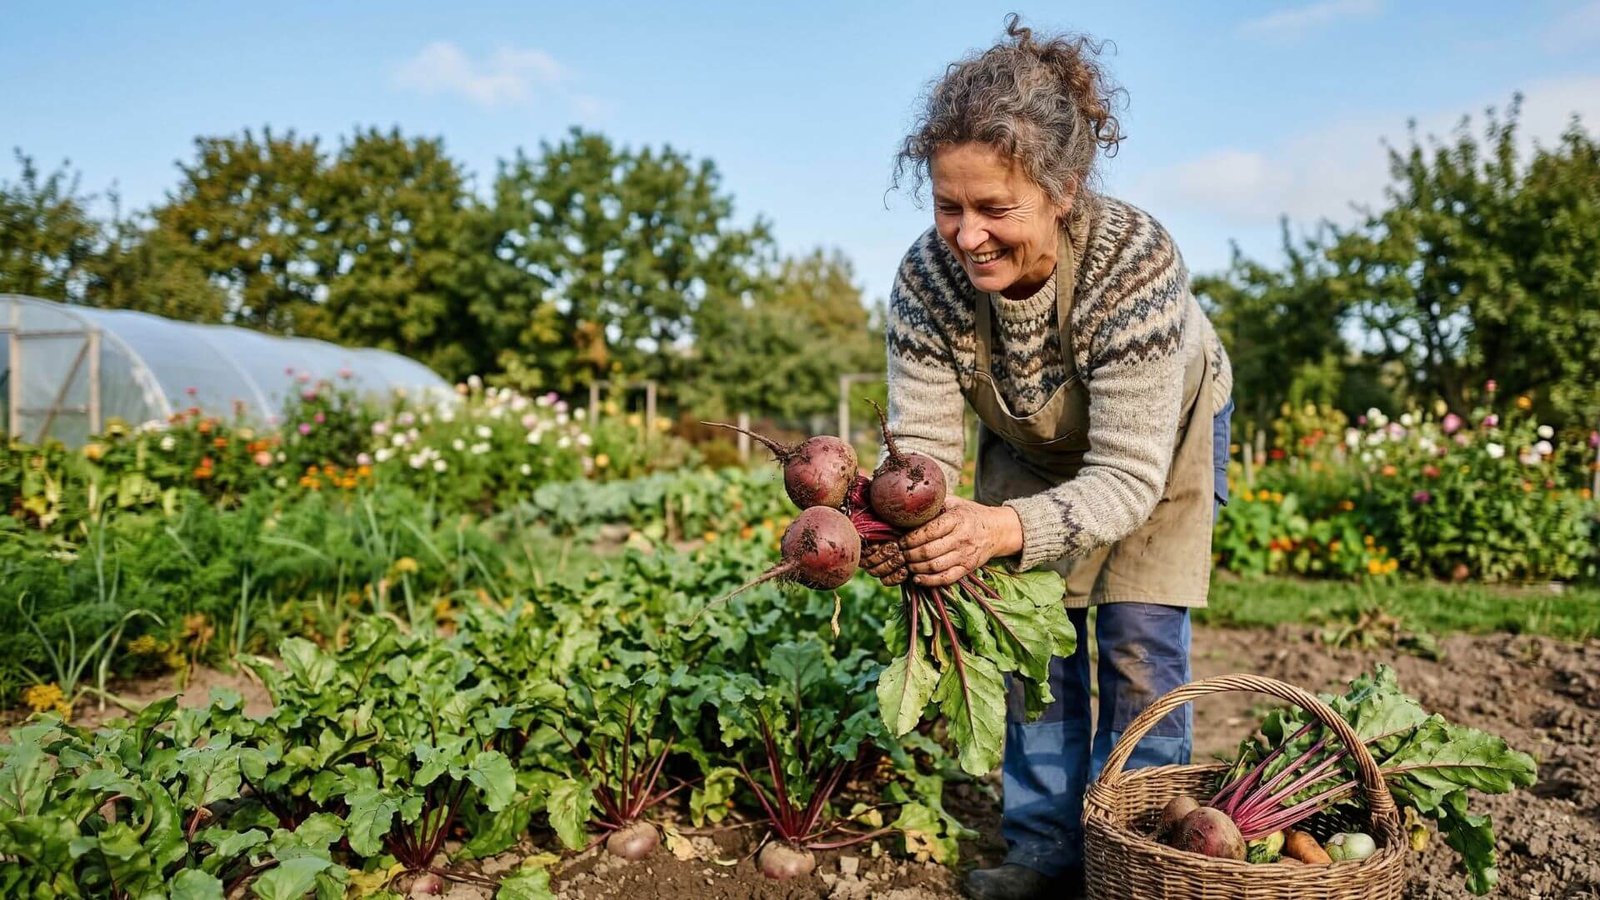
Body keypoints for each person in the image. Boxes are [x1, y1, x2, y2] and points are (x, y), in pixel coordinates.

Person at [860, 16, 1235, 900]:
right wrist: (904, 525)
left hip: (1160, 441)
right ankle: (1041, 851)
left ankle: (1140, 855)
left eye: (996, 208)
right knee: (1036, 643)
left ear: (1062, 190)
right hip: (1026, 439)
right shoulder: (927, 281)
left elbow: (1127, 478)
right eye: (948, 205)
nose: (966, 234)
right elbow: (920, 453)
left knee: (1139, 642)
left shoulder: (1131, 263)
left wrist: (997, 527)